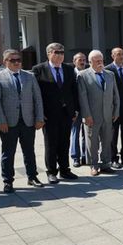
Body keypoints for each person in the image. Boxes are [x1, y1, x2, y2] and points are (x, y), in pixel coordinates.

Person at [0, 49, 45, 192]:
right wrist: (1, 121)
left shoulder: (30, 76)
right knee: (8, 152)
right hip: (8, 123)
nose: (16, 62)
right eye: (12, 60)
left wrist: (39, 117)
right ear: (5, 62)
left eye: (18, 60)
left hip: (28, 121)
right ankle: (8, 181)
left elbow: (37, 99)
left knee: (29, 151)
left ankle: (32, 177)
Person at [32, 43, 79, 184]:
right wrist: (39, 113)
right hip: (49, 114)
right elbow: (35, 94)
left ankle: (65, 169)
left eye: (62, 52)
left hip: (67, 113)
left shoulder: (69, 69)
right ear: (49, 53)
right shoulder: (39, 70)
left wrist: (75, 110)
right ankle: (51, 172)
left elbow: (74, 91)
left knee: (65, 142)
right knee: (51, 144)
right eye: (56, 52)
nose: (60, 55)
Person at [77, 50, 119, 176]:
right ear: (90, 62)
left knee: (107, 140)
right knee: (92, 142)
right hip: (92, 116)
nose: (100, 63)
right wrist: (86, 115)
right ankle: (93, 165)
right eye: (97, 61)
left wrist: (116, 111)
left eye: (101, 60)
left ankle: (106, 164)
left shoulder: (110, 74)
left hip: (108, 114)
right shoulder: (83, 75)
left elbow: (115, 94)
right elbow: (82, 97)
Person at [70, 52, 88, 168]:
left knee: (86, 133)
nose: (82, 62)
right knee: (75, 132)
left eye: (84, 59)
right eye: (80, 60)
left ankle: (85, 155)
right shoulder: (70, 74)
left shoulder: (88, 73)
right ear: (74, 61)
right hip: (75, 110)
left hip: (87, 108)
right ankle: (75, 157)